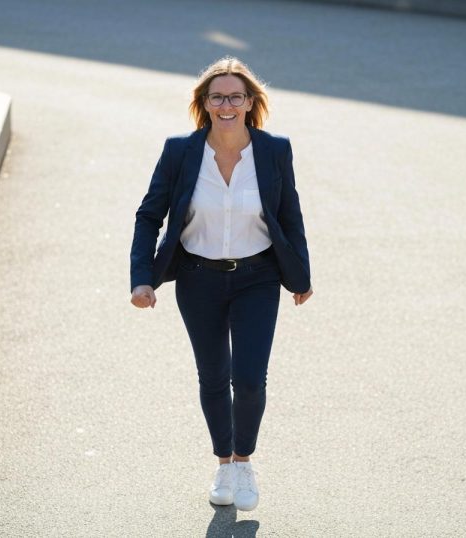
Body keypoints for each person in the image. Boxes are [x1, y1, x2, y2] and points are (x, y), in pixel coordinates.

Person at [129, 56, 312, 511]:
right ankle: (223, 464)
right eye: (217, 97)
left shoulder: (274, 150)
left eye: (235, 97)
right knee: (213, 376)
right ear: (205, 103)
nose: (226, 105)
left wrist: (301, 276)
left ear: (250, 102)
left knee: (248, 380)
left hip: (257, 277)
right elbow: (149, 216)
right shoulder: (180, 151)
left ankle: (243, 462)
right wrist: (142, 279)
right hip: (198, 279)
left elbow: (289, 214)